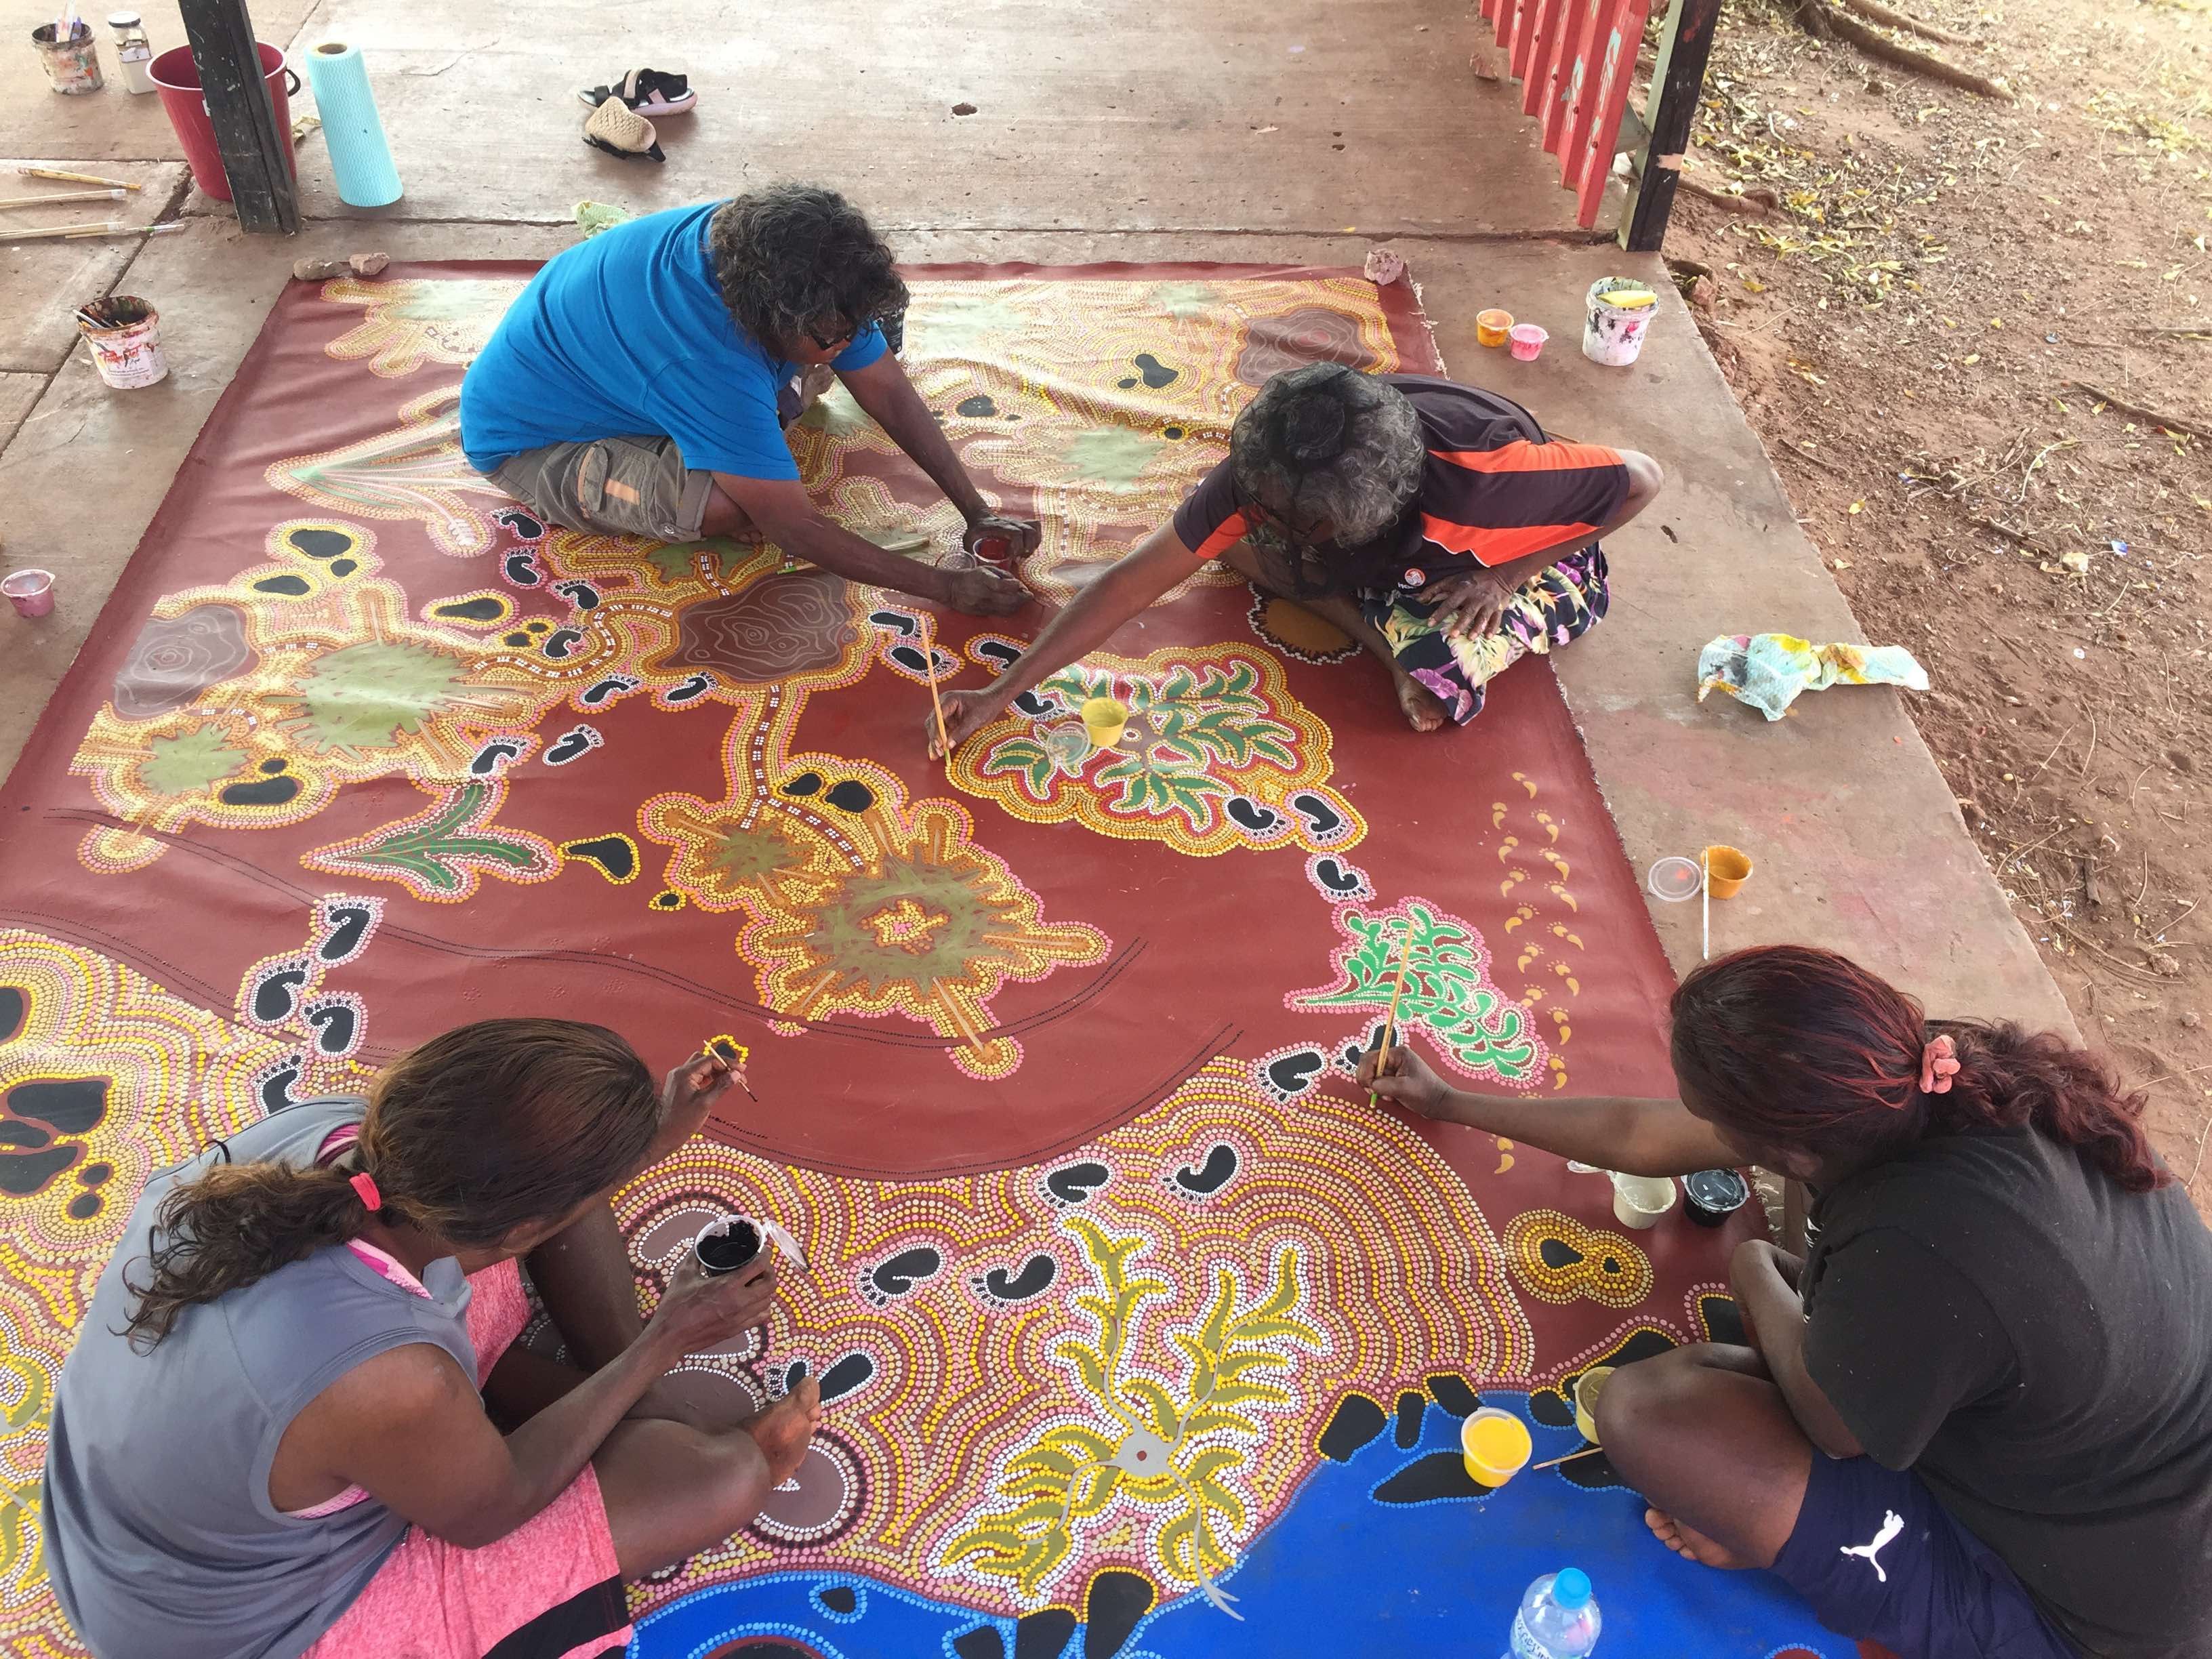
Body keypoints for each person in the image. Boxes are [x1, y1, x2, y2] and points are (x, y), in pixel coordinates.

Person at [1361, 945, 2212, 1659]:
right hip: (2112, 1472)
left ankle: (1795, 1548)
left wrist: (1755, 1267)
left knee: (1654, 1414)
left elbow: (1830, 1423)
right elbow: (1640, 1136)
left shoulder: (1920, 1249)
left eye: (1718, 1121)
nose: (1694, 1124)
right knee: (1748, 1357)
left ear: (1790, 1145)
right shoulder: (1923, 1082)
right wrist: (1450, 1102)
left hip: (2091, 1615)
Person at [42, 1019, 819, 1659]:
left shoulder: (337, 1135)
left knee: (554, 1230)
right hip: (229, 1628)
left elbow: (510, 1210)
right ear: (519, 1229)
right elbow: (490, 1510)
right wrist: (662, 1340)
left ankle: (609, 1389)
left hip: (162, 1514)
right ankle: (623, 1390)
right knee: (715, 1478)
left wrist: (641, 1143)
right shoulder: (388, 1377)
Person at [932, 363, 1661, 746]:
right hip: (1384, 555)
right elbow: (1131, 585)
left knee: (1454, 665)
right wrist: (1003, 692)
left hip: (1483, 559)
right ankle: (1384, 643)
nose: (1269, 523)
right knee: (1233, 542)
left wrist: (1507, 575)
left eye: (1301, 526)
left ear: (1365, 517)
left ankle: (1415, 637)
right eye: (1269, 511)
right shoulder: (1273, 462)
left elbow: (1642, 482)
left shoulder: (1494, 482)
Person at [459, 184, 1036, 616]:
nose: (844, 346)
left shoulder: (770, 248)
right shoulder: (703, 359)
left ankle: (718, 440)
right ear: (766, 317)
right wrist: (947, 588)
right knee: (724, 506)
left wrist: (975, 509)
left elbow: (884, 383)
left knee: (816, 378)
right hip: (537, 444)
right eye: (832, 335)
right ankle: (696, 470)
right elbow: (793, 527)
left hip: (628, 374)